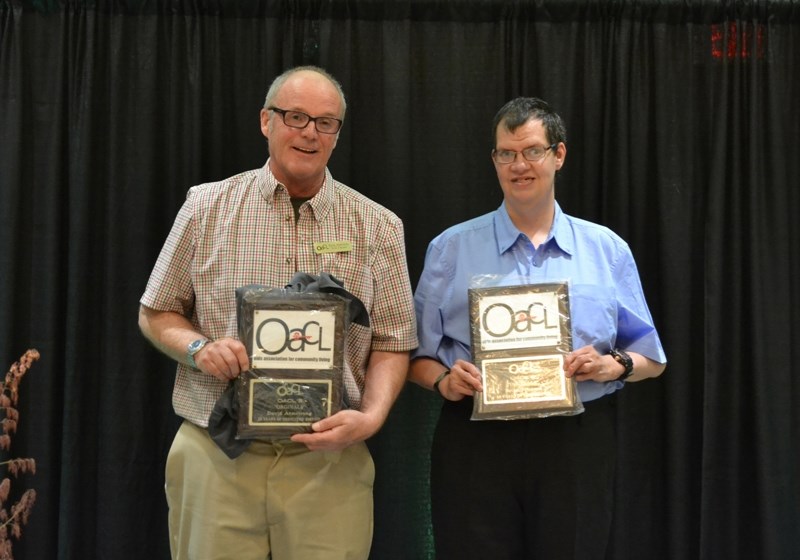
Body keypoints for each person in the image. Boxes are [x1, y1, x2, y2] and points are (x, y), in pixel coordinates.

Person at [138, 66, 417, 560]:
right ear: (266, 121)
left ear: (337, 135)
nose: (310, 132)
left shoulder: (378, 225)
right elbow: (157, 312)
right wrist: (200, 349)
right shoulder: (205, 208)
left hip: (329, 463)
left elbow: (393, 342)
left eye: (325, 122)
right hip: (215, 455)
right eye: (296, 116)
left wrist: (371, 418)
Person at [408, 97, 667, 559]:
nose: (518, 165)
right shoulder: (450, 248)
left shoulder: (606, 249)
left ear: (558, 155)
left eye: (532, 150)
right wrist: (445, 380)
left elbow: (652, 360)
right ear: (494, 160)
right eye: (505, 153)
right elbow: (415, 357)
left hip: (576, 442)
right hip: (475, 440)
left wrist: (614, 366)